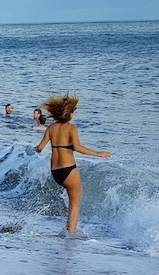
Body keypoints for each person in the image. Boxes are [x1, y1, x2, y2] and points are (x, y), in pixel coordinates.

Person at [35, 93, 112, 235]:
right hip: (69, 170)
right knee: (74, 205)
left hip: (55, 172)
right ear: (69, 112)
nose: (74, 113)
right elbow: (77, 147)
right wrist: (98, 153)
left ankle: (68, 233)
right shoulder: (71, 128)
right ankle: (70, 237)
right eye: (74, 110)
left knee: (71, 202)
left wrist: (35, 149)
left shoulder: (51, 128)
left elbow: (39, 148)